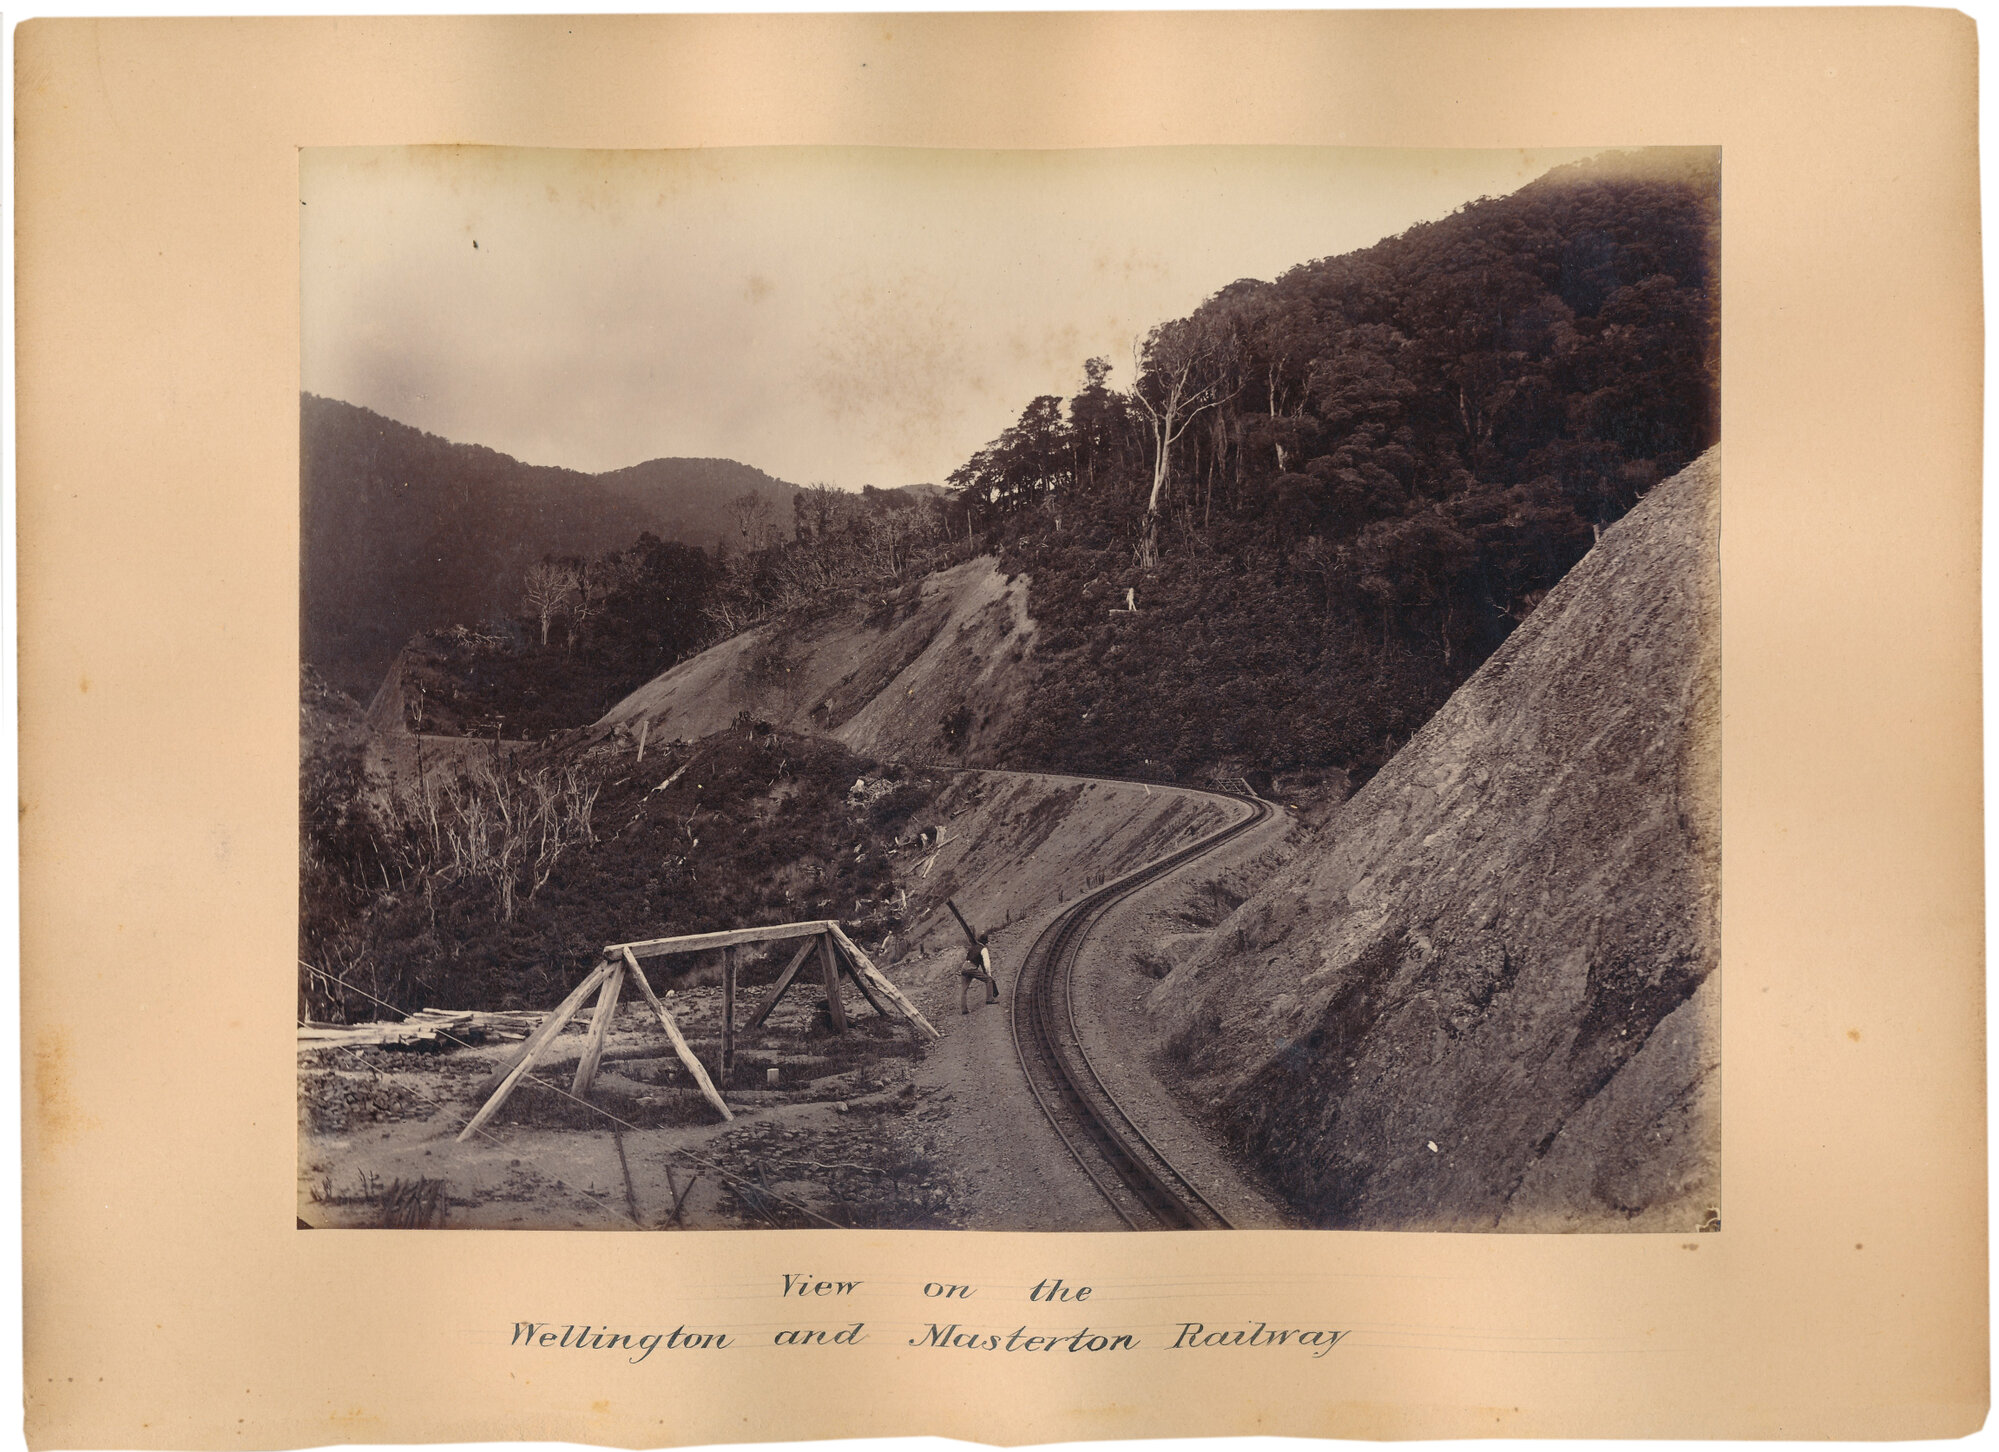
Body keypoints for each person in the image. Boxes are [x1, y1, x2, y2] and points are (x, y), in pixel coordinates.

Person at [960, 932, 1000, 1014]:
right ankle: (990, 999)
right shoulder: (983, 949)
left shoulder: (973, 946)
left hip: (964, 967)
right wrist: (988, 974)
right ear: (985, 942)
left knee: (964, 989)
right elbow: (986, 964)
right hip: (972, 967)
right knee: (988, 980)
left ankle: (964, 1010)